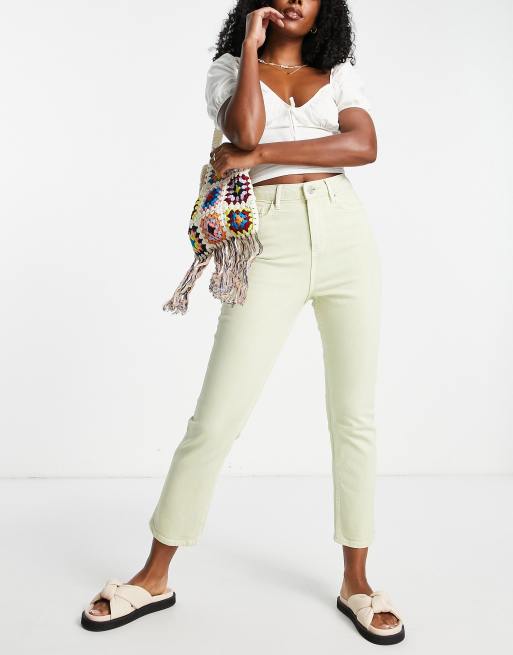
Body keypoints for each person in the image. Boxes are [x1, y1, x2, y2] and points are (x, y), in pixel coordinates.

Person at [81, 1, 405, 644]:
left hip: (344, 231)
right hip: (266, 239)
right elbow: (244, 129)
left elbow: (362, 145)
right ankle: (154, 575)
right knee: (217, 416)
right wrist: (253, 51)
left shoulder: (339, 73)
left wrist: (258, 156)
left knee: (355, 417)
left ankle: (357, 580)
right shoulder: (231, 69)